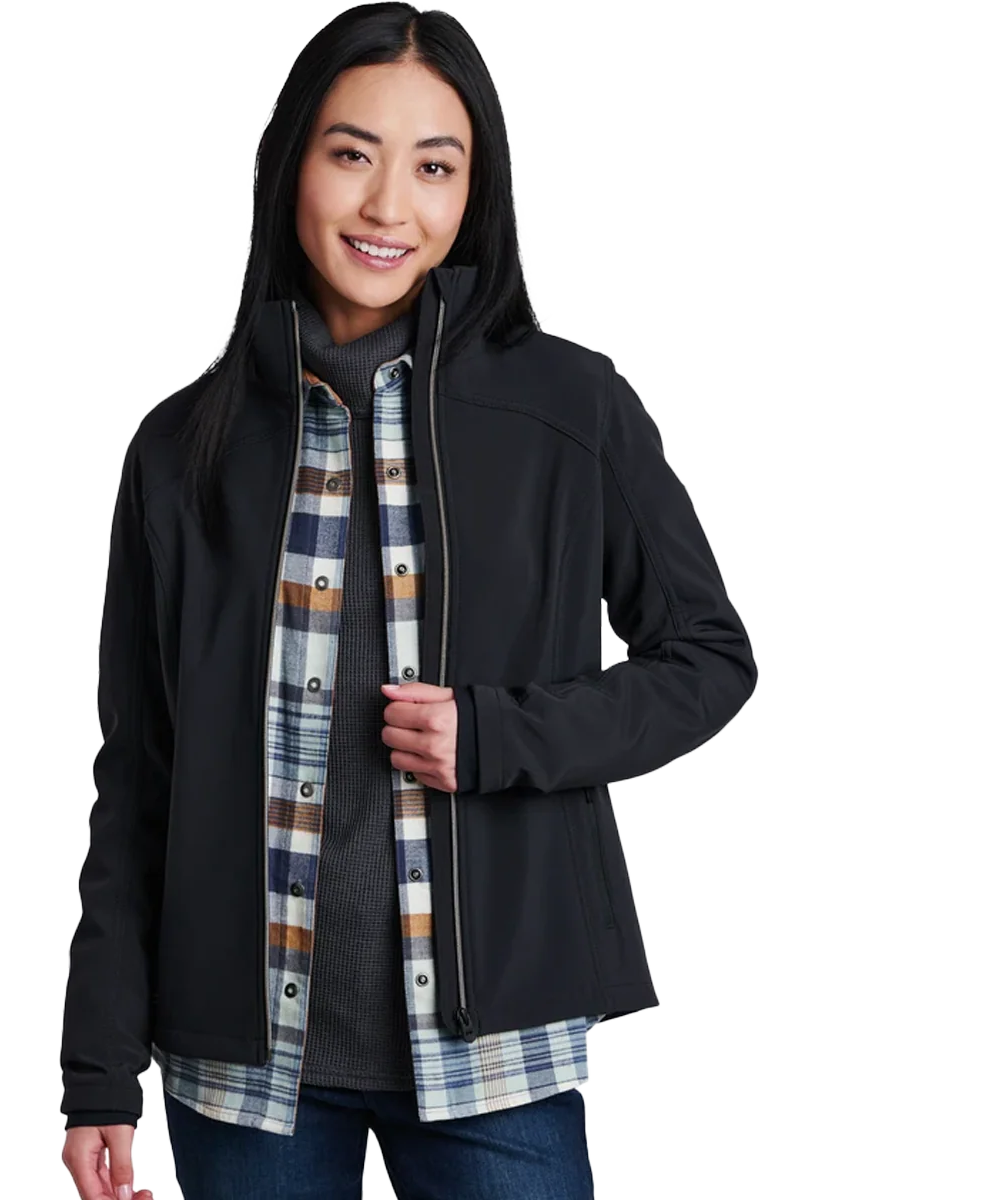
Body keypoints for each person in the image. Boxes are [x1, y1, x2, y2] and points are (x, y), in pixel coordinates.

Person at [59, 4, 759, 1198]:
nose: (390, 206)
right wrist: (97, 1071)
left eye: (435, 166)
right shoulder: (182, 449)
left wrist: (495, 734)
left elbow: (707, 658)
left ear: (474, 192)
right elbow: (138, 774)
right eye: (353, 154)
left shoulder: (569, 409)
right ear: (291, 165)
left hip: (493, 1053)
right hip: (246, 1067)